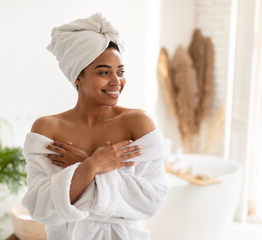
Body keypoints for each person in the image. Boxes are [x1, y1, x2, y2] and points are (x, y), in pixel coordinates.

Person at [22, 13, 168, 240]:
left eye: (120, 71)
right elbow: (38, 206)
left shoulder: (137, 123)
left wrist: (82, 164)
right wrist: (91, 166)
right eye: (103, 72)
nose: (116, 81)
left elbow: (152, 200)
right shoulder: (47, 128)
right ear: (78, 77)